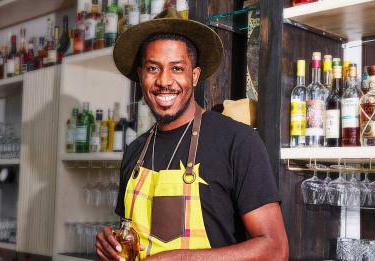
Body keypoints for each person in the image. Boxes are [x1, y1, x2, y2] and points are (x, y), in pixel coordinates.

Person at [96, 8, 288, 261]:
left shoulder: (238, 142)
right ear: (141, 75)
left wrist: (180, 258)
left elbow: (276, 250)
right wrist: (112, 243)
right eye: (153, 68)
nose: (164, 81)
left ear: (194, 76)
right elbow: (133, 234)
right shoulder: (135, 151)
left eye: (177, 68)